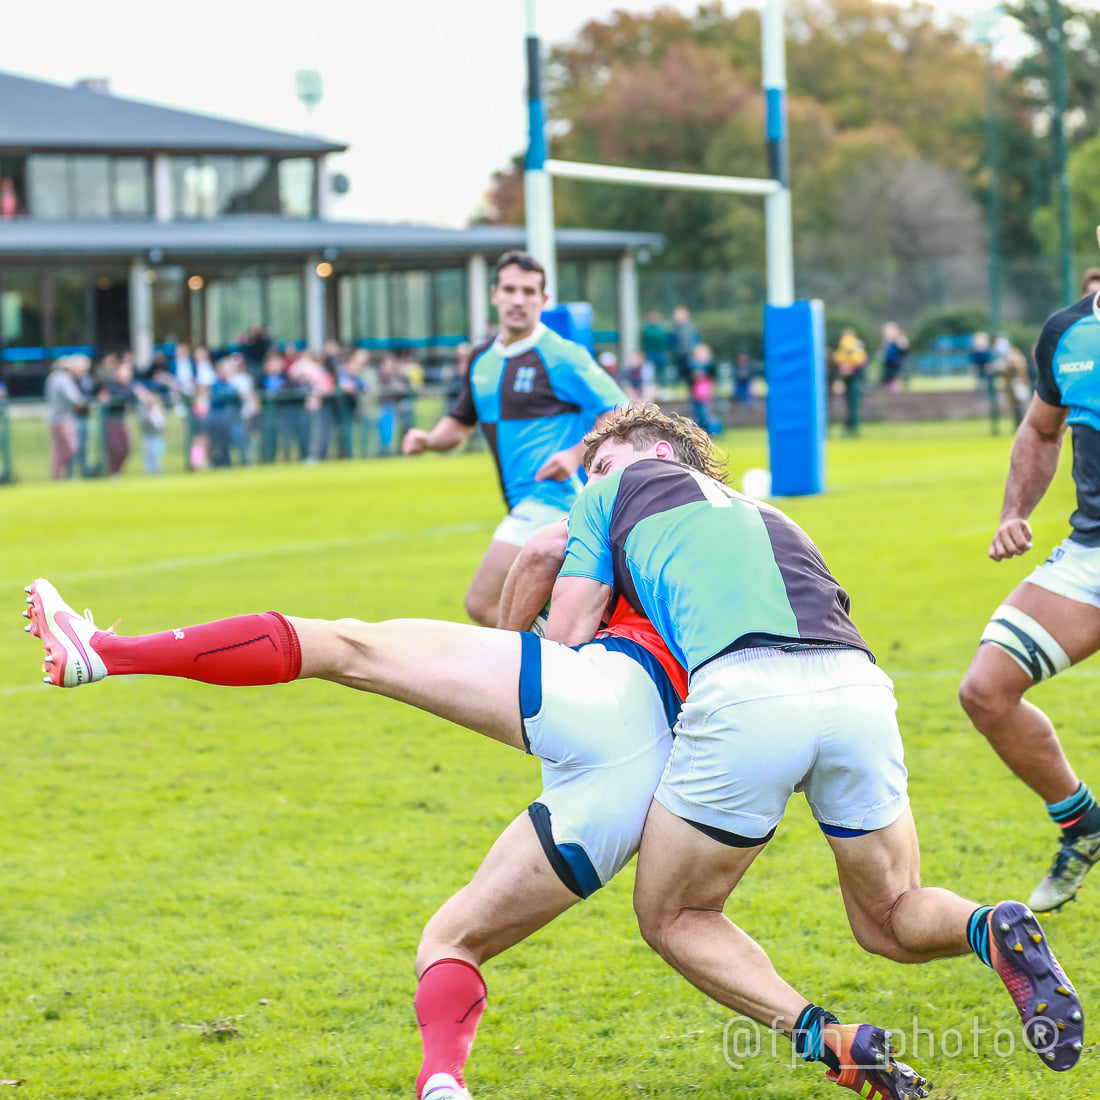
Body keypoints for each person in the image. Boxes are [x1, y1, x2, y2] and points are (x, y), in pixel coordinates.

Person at [22, 529, 685, 1100]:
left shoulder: (640, 493)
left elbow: (544, 547)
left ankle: (110, 652)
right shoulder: (761, 547)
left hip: (603, 690)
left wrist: (508, 653)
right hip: (650, 767)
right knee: (455, 939)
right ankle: (443, 1084)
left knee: (346, 646)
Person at [542, 404, 1085, 1094]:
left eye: (603, 462)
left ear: (657, 453)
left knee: (675, 915)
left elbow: (564, 645)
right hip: (857, 688)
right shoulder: (771, 515)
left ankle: (835, 1045)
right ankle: (991, 926)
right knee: (890, 916)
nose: (591, 480)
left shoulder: (606, 496)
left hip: (746, 695)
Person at [959, 225, 1100, 913]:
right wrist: (1014, 509)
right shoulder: (1067, 334)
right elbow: (1042, 430)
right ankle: (1082, 825)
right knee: (985, 690)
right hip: (1090, 556)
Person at [402, 251, 626, 626]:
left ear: (544, 300)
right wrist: (425, 440)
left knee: (484, 603)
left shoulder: (560, 355)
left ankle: (544, 668)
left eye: (528, 291)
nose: (518, 300)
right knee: (524, 610)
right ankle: (570, 658)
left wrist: (576, 454)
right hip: (522, 503)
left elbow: (619, 411)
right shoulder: (481, 359)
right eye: (510, 289)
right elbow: (459, 426)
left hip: (555, 500)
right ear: (494, 294)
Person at [44, 355, 88, 480]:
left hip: (55, 418)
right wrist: (83, 403)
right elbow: (73, 396)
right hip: (62, 419)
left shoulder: (52, 378)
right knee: (71, 447)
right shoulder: (62, 378)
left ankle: (58, 473)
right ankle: (61, 473)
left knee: (59, 447)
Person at [832, 328, 868, 435]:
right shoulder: (847, 348)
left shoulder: (855, 347)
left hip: (854, 379)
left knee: (853, 403)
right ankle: (850, 426)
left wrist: (850, 368)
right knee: (850, 404)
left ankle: (852, 426)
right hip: (848, 379)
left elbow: (860, 360)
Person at [880, 322, 909, 391]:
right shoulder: (887, 342)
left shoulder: (899, 340)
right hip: (888, 360)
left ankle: (895, 386)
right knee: (888, 375)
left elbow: (904, 348)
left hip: (896, 360)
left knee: (894, 374)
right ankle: (891, 386)